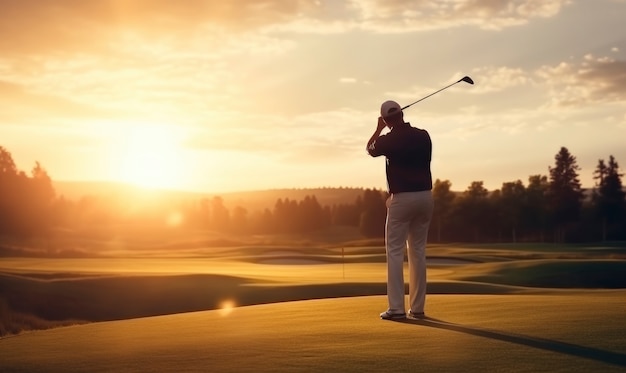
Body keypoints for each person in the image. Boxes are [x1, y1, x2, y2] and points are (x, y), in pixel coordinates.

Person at [366, 100, 434, 320]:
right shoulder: (424, 135)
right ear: (402, 114)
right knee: (418, 252)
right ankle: (418, 308)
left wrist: (378, 129)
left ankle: (396, 308)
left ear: (386, 119)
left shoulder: (388, 139)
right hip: (425, 197)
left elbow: (370, 149)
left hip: (402, 198)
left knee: (395, 251)